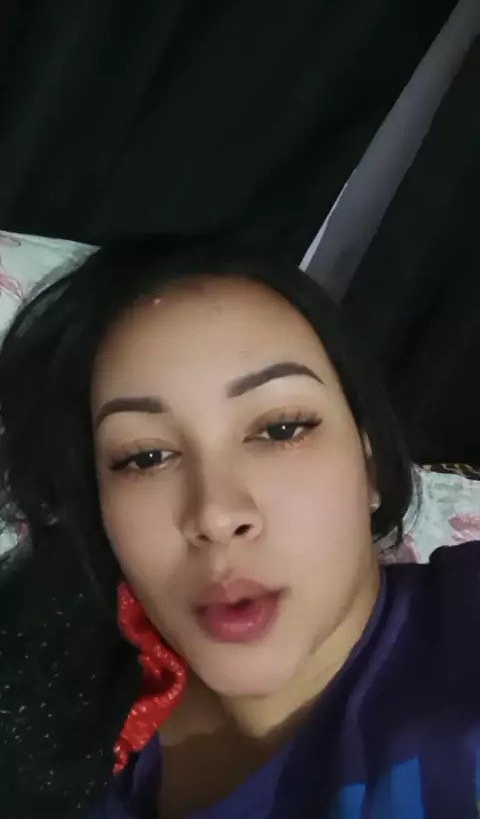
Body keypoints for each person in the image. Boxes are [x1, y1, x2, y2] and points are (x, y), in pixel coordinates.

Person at [1, 237, 480, 819]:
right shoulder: (47, 696)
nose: (216, 515)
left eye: (281, 429)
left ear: (370, 465)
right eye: (145, 456)